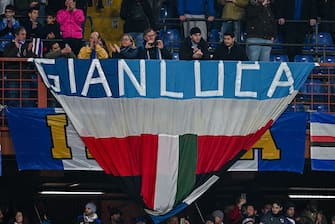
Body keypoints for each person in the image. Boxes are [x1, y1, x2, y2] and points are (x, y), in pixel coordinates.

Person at [3, 26, 36, 107]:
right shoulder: (9, 46)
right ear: (16, 35)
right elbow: (7, 59)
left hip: (25, 77)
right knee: (12, 98)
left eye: (25, 34)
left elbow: (33, 60)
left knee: (25, 99)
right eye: (22, 34)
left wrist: (28, 51)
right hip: (13, 76)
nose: (24, 36)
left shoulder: (27, 46)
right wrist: (16, 48)